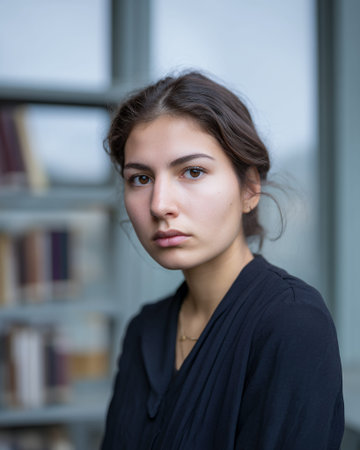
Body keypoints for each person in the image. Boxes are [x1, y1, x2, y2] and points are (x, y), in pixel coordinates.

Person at [101, 72, 344, 449]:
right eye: (140, 178)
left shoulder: (292, 323)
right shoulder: (144, 331)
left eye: (192, 172)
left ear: (250, 188)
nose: (160, 204)